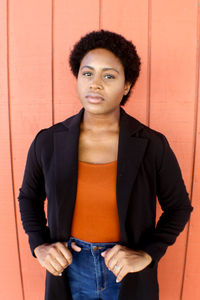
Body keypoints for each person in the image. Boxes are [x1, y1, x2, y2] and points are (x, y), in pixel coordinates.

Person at [18, 29, 193, 300]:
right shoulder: (48, 141)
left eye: (108, 75)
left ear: (126, 86)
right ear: (77, 77)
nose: (95, 83)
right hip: (70, 271)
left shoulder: (151, 144)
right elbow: (29, 197)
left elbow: (179, 207)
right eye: (87, 73)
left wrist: (147, 254)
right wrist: (39, 244)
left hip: (125, 273)